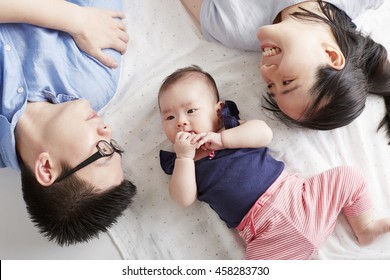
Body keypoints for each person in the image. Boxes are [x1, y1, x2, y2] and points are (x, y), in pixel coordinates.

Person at [158, 65, 390, 259]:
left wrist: (223, 139)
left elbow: (264, 134)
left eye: (190, 110)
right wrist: (184, 157)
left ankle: (365, 228)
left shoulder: (231, 127)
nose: (181, 122)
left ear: (218, 110)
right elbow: (183, 198)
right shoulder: (182, 163)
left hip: (301, 199)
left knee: (348, 177)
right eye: (170, 117)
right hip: (265, 235)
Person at [0, 0, 136, 246]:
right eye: (114, 145)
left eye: (102, 151)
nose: (107, 129)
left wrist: (74, 19)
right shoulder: (95, 78)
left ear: (46, 168)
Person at [180, 0, 390, 142]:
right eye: (287, 82)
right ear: (331, 56)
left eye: (271, 86)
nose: (267, 70)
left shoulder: (231, 25)